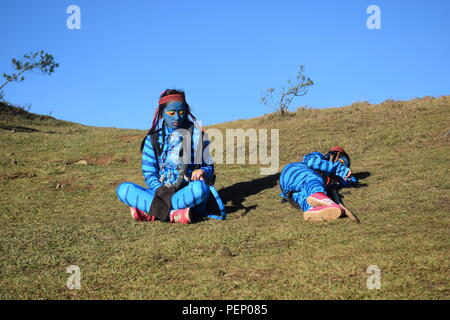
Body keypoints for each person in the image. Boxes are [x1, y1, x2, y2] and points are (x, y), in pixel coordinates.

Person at [115, 89, 214, 224]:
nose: (177, 117)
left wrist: (202, 171)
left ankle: (153, 212)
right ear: (161, 113)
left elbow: (209, 167)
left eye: (181, 112)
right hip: (159, 193)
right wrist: (161, 190)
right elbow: (149, 174)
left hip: (185, 191)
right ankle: (174, 214)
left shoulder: (199, 136)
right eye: (171, 113)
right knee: (123, 190)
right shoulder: (152, 139)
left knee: (200, 189)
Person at [279, 146, 359, 221]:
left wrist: (350, 177)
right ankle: (323, 199)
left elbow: (350, 180)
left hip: (291, 194)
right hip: (294, 172)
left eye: (344, 164)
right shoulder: (318, 156)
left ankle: (313, 210)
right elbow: (311, 162)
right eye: (340, 161)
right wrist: (339, 169)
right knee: (313, 180)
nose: (341, 164)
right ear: (333, 156)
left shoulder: (332, 181)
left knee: (304, 198)